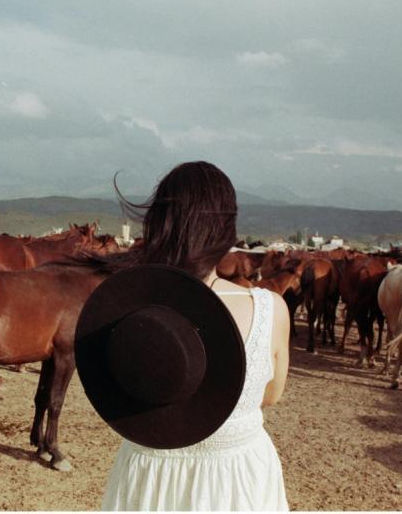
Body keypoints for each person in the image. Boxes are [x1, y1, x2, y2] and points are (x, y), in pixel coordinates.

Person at [83, 161, 291, 511]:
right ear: (226, 228)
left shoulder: (126, 310)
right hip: (237, 476)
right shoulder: (270, 309)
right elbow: (271, 395)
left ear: (160, 224)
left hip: (150, 476)